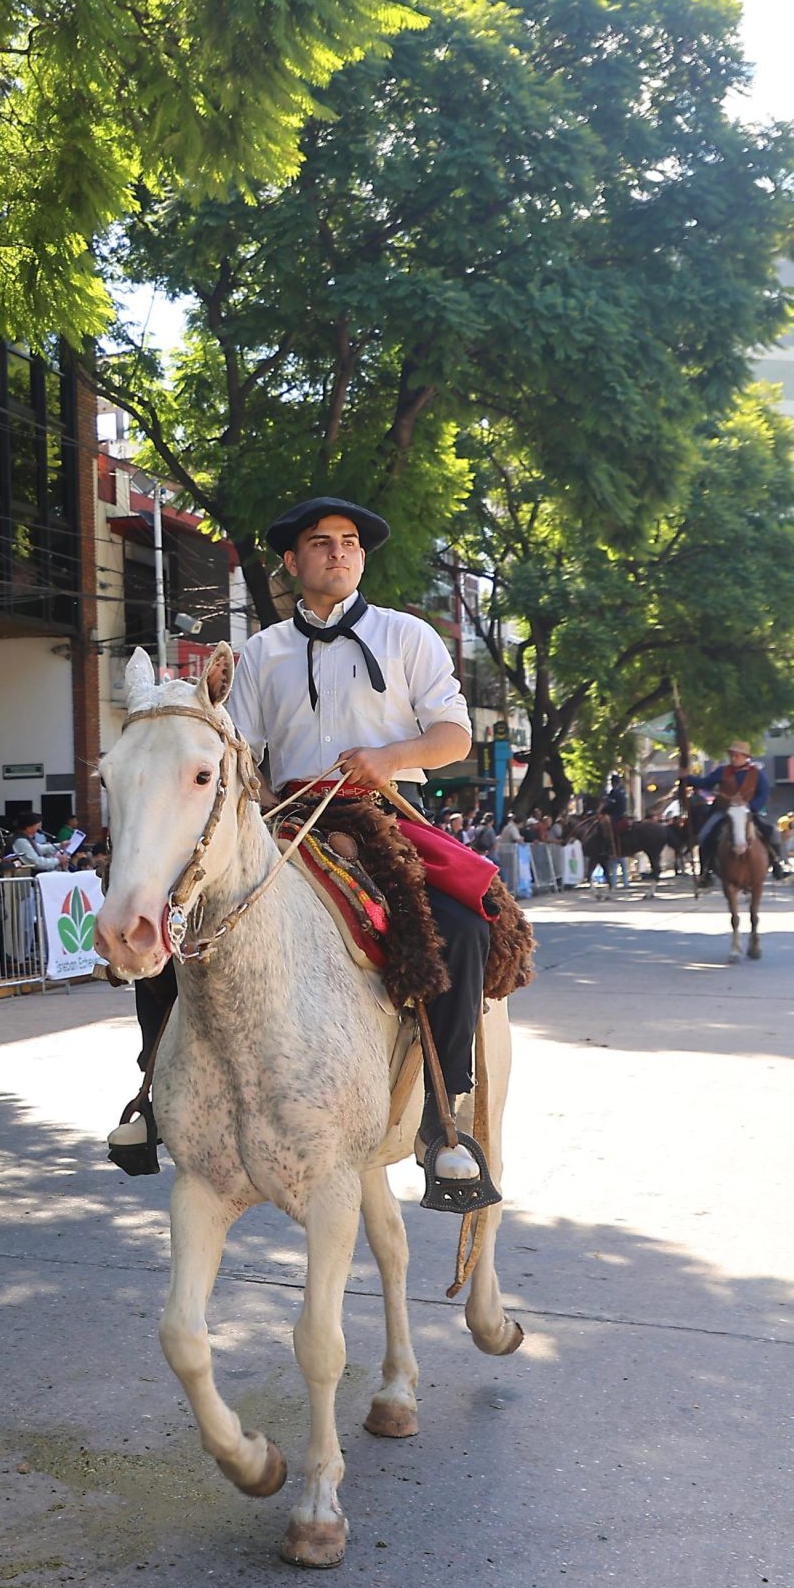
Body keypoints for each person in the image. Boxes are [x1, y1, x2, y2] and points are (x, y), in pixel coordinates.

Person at [116, 494, 497, 1202]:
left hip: (384, 813)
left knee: (464, 927)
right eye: (321, 542)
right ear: (292, 562)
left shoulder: (408, 635)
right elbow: (239, 752)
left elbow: (454, 736)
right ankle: (154, 1095)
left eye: (350, 542)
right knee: (176, 919)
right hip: (286, 821)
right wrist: (255, 801)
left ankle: (445, 1120)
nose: (339, 552)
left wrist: (388, 758)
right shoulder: (261, 653)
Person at [695, 741, 789, 883]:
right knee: (704, 835)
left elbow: (763, 794)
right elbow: (705, 783)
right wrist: (687, 778)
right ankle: (705, 872)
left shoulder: (757, 774)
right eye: (731, 755)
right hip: (724, 811)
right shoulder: (722, 771)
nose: (733, 758)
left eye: (737, 755)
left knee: (773, 834)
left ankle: (778, 865)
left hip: (748, 812)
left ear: (746, 757)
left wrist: (751, 806)